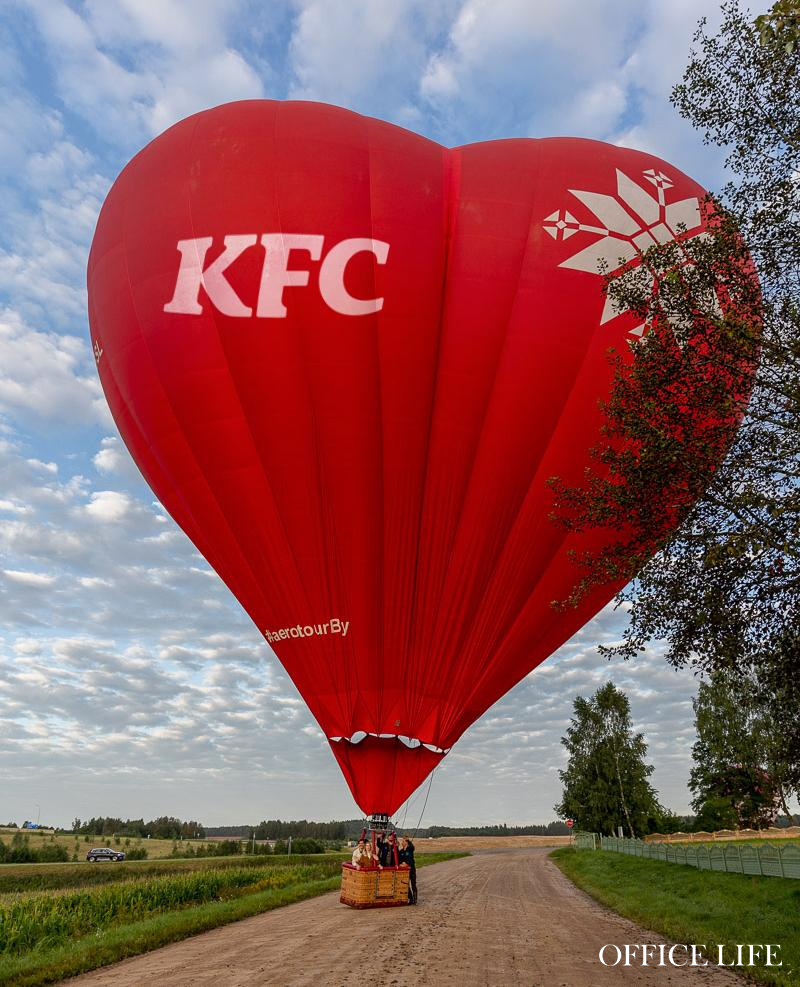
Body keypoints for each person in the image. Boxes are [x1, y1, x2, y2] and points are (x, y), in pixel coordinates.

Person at [399, 835, 417, 903]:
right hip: (405, 871)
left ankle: (415, 899)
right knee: (406, 884)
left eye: (403, 841)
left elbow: (412, 847)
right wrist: (402, 864)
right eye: (402, 841)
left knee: (413, 884)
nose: (402, 843)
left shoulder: (410, 849)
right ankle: (411, 898)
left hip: (411, 869)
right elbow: (399, 860)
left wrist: (409, 841)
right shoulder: (401, 851)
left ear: (406, 842)